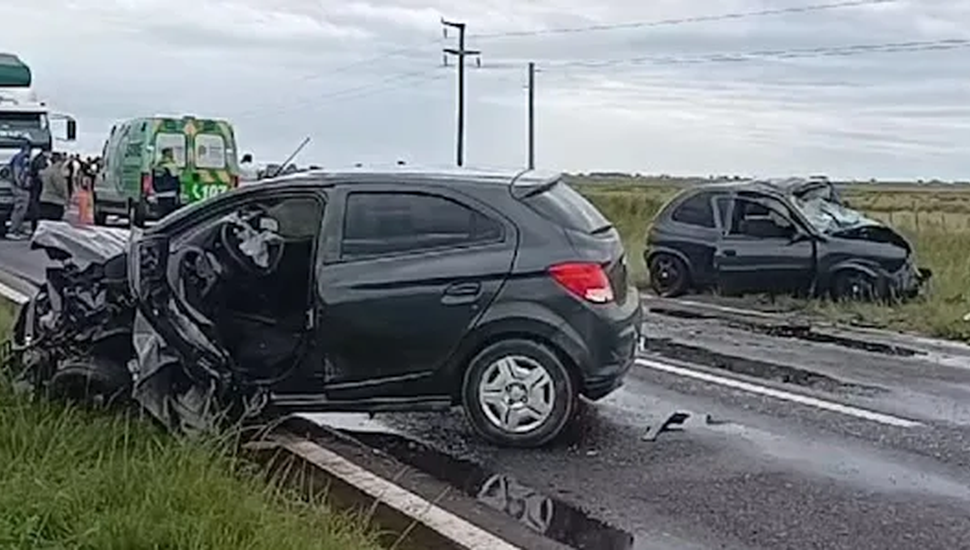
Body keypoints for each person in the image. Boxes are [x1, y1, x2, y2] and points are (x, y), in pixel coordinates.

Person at [6, 142, 33, 239]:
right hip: (20, 188)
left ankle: (18, 228)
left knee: (21, 209)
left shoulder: (18, 157)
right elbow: (17, 171)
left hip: (18, 186)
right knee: (20, 208)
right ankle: (14, 230)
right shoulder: (21, 158)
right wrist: (20, 184)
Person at [38, 153, 69, 221]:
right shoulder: (57, 172)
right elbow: (60, 187)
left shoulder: (46, 170)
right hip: (55, 202)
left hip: (44, 199)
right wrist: (66, 197)